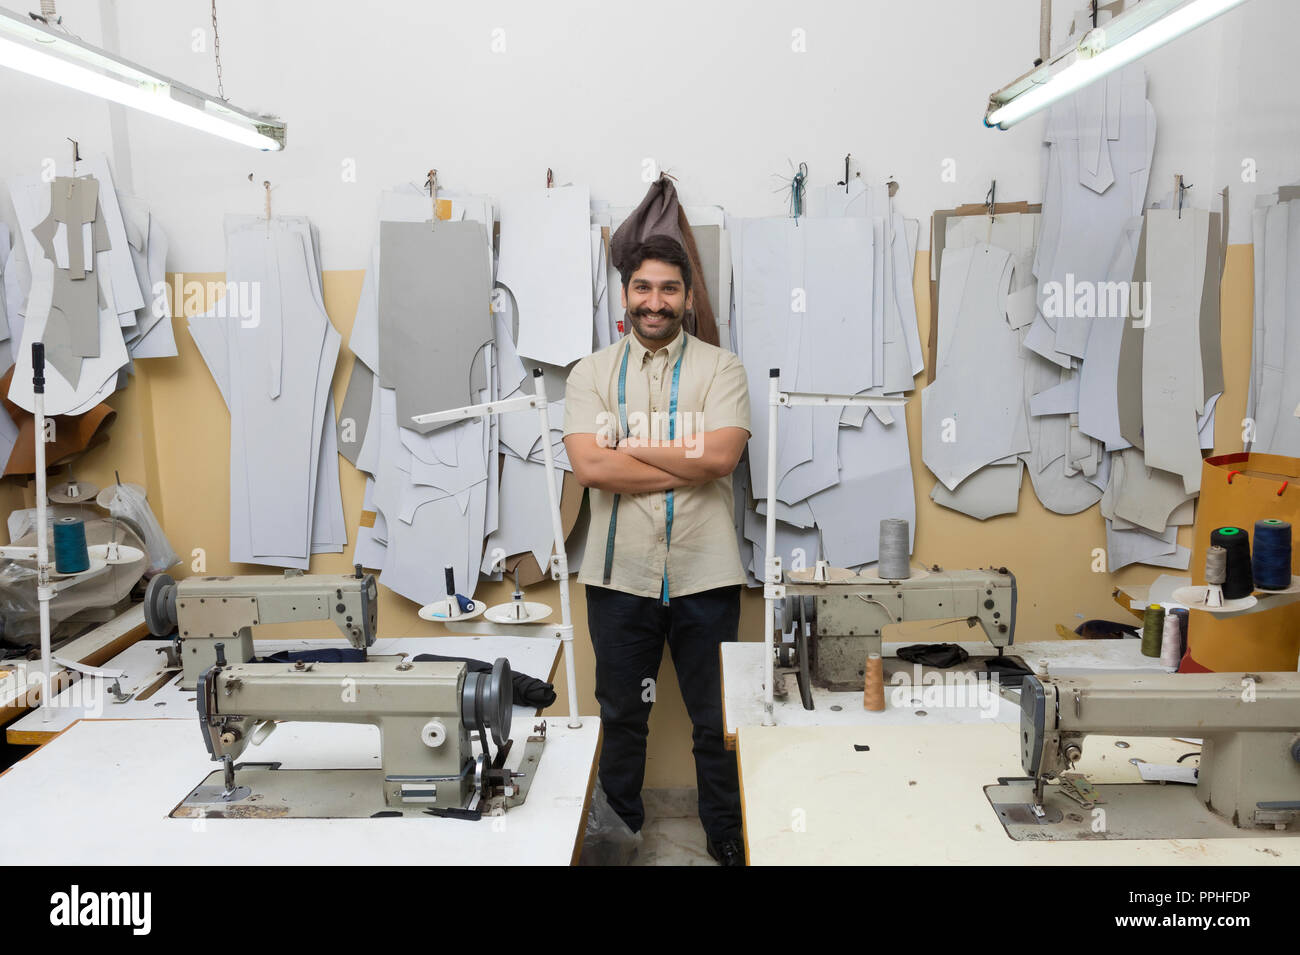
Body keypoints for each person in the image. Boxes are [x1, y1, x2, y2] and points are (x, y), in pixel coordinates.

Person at [563, 234, 751, 866]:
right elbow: (590, 468)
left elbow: (722, 456)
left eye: (669, 288)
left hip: (707, 573)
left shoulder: (721, 369)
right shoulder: (590, 373)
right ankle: (617, 840)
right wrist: (686, 462)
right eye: (643, 287)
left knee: (715, 719)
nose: (655, 301)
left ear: (688, 297)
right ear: (625, 295)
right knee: (622, 717)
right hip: (620, 578)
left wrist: (628, 451)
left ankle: (726, 834)